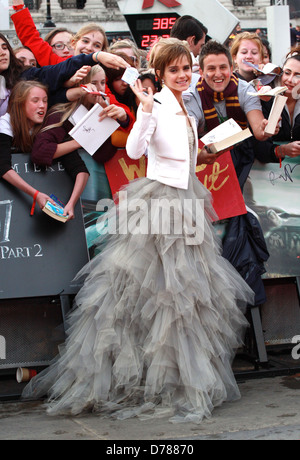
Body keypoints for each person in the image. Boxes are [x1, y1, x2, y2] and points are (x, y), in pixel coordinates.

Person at [22, 38, 253, 424]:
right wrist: (143, 111)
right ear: (159, 73)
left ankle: (180, 377)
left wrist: (209, 149)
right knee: (152, 294)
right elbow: (132, 151)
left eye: (185, 68)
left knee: (184, 295)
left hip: (187, 201)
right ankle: (144, 381)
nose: (182, 75)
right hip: (161, 202)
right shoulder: (158, 104)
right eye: (174, 70)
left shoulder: (186, 105)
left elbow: (185, 156)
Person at [183, 39, 279, 309]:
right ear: (200, 71)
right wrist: (202, 155)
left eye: (223, 67)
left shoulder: (245, 89)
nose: (218, 74)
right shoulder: (191, 93)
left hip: (234, 169)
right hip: (202, 168)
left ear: (231, 67)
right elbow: (190, 143)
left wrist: (271, 127)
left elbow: (259, 131)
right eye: (211, 68)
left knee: (235, 235)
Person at [0, 33, 129, 114]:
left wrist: (94, 57)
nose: (2, 52)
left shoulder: (23, 75)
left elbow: (52, 78)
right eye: (85, 41)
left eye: (5, 47)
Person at [0, 80, 54, 212]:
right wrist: (35, 194)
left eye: (45, 100)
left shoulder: (47, 124)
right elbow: (3, 166)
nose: (42, 106)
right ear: (20, 104)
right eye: (35, 101)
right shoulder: (5, 124)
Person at [11, 1, 108, 66]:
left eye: (97, 45)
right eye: (59, 45)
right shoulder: (56, 63)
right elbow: (30, 36)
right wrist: (19, 7)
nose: (89, 48)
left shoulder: (102, 72)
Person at [254, 51, 300, 163]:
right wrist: (281, 150)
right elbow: (259, 146)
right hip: (265, 174)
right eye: (287, 73)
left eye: (297, 75)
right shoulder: (267, 98)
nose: (290, 80)